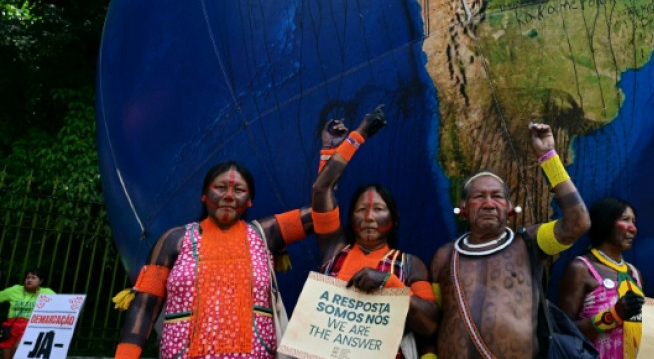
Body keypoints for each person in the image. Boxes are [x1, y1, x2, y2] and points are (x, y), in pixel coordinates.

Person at [112, 122, 378, 359]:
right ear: (204, 195)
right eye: (220, 188)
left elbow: (321, 212)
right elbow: (144, 308)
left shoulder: (265, 234)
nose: (229, 195)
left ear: (249, 201)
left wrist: (331, 153)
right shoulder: (174, 240)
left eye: (239, 190)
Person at [430, 122, 591, 359]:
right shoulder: (444, 256)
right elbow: (433, 319)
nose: (488, 203)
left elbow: (578, 222)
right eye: (479, 197)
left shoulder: (529, 243)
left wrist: (548, 157)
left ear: (509, 208)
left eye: (497, 196)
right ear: (463, 208)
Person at [311, 106, 439, 358]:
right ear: (350, 218)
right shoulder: (334, 248)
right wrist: (356, 136)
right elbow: (321, 189)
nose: (369, 217)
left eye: (378, 209)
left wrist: (388, 282)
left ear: (394, 218)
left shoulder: (410, 264)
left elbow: (430, 324)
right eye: (361, 210)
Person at [557, 196, 645, 358]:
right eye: (625, 219)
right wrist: (613, 315)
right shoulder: (581, 269)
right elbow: (563, 330)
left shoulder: (635, 274)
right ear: (605, 222)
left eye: (634, 221)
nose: (633, 228)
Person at [0, 269, 54, 359]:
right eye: (28, 277)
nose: (29, 280)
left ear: (40, 281)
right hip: (10, 327)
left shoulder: (47, 292)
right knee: (6, 351)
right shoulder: (15, 289)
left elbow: (61, 304)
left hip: (30, 326)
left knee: (17, 348)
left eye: (33, 278)